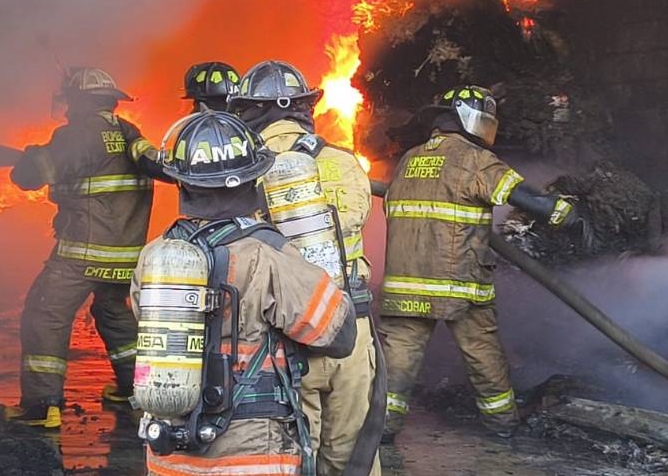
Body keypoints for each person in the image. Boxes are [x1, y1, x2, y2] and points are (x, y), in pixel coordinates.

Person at [132, 111, 356, 476]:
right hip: (251, 455)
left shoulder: (155, 256)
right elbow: (339, 334)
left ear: (181, 183)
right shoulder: (267, 255)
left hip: (169, 456)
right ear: (254, 180)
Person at [379, 85, 584, 439]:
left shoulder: (408, 160)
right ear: (471, 119)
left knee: (396, 365)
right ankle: (503, 425)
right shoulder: (473, 159)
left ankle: (381, 429)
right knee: (484, 356)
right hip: (460, 283)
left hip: (404, 284)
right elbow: (519, 194)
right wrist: (562, 212)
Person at [229, 60, 382, 475]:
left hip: (285, 334)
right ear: (302, 108)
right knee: (354, 453)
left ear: (249, 111)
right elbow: (356, 218)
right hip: (351, 325)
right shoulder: (345, 162)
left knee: (295, 452)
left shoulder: (242, 172)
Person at [4, 67, 166, 428]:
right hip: (125, 255)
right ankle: (136, 392)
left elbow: (29, 177)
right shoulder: (128, 132)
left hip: (83, 252)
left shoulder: (77, 135)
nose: (65, 111)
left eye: (70, 104)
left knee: (45, 313)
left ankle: (41, 405)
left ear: (80, 101)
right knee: (114, 316)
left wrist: (30, 160)